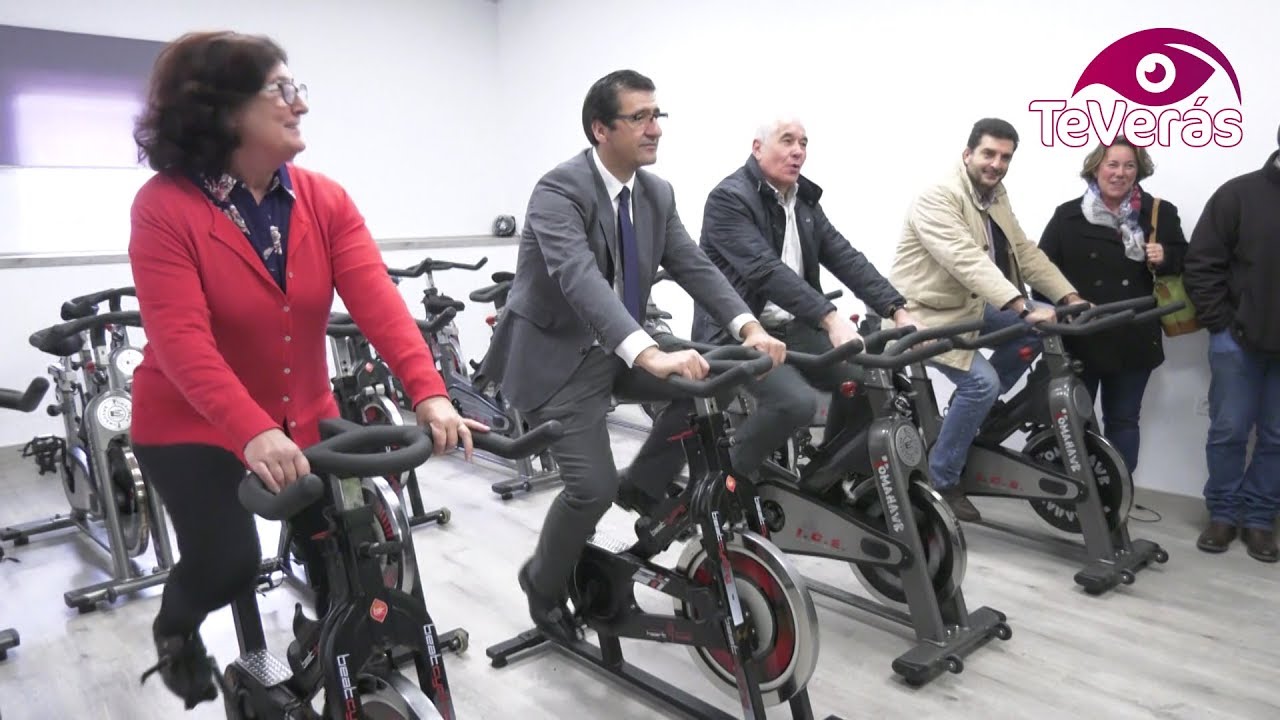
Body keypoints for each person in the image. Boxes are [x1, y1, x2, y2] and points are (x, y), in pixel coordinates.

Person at [128, 31, 481, 708]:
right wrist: (250, 430)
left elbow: (377, 301)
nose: (300, 106)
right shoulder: (164, 207)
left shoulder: (321, 199)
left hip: (301, 412)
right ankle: (175, 629)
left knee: (348, 549)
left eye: (298, 90)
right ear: (223, 109)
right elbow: (179, 340)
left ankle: (334, 658)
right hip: (190, 422)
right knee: (228, 563)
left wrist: (429, 393)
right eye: (280, 90)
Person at [479, 69, 786, 641]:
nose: (655, 129)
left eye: (657, 115)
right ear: (601, 129)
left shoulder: (655, 193)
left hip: (618, 345)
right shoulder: (558, 191)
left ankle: (645, 487)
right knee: (589, 489)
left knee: (713, 374)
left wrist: (747, 326)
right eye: (640, 117)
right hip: (560, 358)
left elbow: (694, 264)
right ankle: (542, 585)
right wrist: (647, 353)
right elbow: (579, 279)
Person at [629, 116, 919, 489]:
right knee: (795, 403)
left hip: (794, 328)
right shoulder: (729, 199)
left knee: (868, 382)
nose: (798, 151)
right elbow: (764, 271)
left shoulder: (803, 202)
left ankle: (823, 478)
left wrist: (898, 308)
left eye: (803, 142)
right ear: (758, 148)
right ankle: (721, 483)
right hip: (739, 331)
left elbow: (846, 257)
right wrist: (830, 318)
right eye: (787, 141)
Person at [889, 118, 1084, 522]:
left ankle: (972, 414)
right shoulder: (938, 197)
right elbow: (966, 260)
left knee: (1030, 335)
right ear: (968, 154)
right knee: (983, 383)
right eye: (989, 154)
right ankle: (942, 479)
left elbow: (1023, 251)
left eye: (1005, 157)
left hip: (970, 305)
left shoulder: (994, 195)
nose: (996, 164)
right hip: (924, 313)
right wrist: (1022, 305)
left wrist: (1069, 294)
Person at [1037, 137, 1188, 476]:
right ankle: (1077, 493)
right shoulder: (1068, 215)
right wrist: (1063, 308)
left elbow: (1187, 261)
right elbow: (1041, 272)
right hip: (1080, 337)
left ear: (1139, 171)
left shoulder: (1158, 213)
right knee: (1074, 419)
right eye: (1112, 164)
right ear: (1096, 167)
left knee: (1123, 420)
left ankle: (1117, 494)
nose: (1120, 173)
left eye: (1129, 165)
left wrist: (1167, 257)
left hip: (1134, 337)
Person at [1183, 125, 1280, 562]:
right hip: (1237, 342)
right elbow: (1201, 263)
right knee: (1228, 432)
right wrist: (1222, 324)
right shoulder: (1238, 194)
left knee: (1278, 438)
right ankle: (1222, 514)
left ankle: (1259, 520)